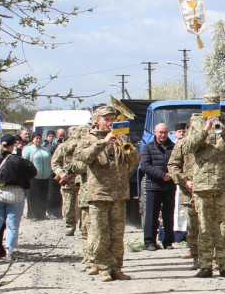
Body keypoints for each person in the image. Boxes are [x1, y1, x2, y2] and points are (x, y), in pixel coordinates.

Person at [74, 105, 139, 281]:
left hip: (118, 193)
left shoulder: (122, 138)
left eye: (112, 119)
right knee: (100, 233)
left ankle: (116, 267)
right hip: (98, 193)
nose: (110, 122)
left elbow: (134, 160)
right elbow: (83, 158)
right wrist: (104, 142)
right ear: (97, 121)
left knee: (117, 233)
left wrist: (124, 144)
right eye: (106, 119)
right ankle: (103, 267)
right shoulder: (88, 139)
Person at [181, 106, 225, 278]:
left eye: (214, 109)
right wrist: (205, 130)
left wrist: (223, 130)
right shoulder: (195, 125)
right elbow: (187, 147)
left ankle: (224, 265)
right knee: (204, 226)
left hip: (223, 183)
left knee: (223, 227)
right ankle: (205, 264)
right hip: (202, 184)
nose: (211, 114)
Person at [0, 135, 38, 261]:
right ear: (13, 146)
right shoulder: (19, 161)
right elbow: (33, 172)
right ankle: (10, 253)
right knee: (12, 224)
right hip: (15, 195)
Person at [139, 123, 176, 251]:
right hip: (154, 185)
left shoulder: (173, 147)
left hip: (169, 186)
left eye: (165, 132)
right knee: (151, 215)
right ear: (155, 132)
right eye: (160, 132)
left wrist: (172, 175)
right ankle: (150, 242)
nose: (163, 135)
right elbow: (145, 166)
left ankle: (168, 241)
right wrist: (161, 175)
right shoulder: (148, 147)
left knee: (168, 215)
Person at [167, 120, 199, 267]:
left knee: (211, 226)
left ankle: (213, 258)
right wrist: (184, 181)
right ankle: (196, 256)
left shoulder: (212, 141)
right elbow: (173, 165)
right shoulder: (182, 144)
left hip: (209, 191)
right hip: (189, 192)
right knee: (193, 225)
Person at [51, 126, 86, 237]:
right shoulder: (63, 146)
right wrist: (61, 174)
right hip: (68, 180)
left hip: (82, 180)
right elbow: (55, 163)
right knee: (68, 205)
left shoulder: (85, 146)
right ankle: (70, 227)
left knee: (83, 205)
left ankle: (83, 226)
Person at [22, 136, 52, 220]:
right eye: (36, 138)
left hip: (45, 176)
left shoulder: (45, 149)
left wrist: (49, 171)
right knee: (33, 196)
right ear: (33, 139)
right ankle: (33, 215)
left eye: (39, 138)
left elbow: (50, 161)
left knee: (43, 195)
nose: (38, 140)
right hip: (33, 177)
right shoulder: (28, 149)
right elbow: (25, 162)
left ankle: (42, 214)